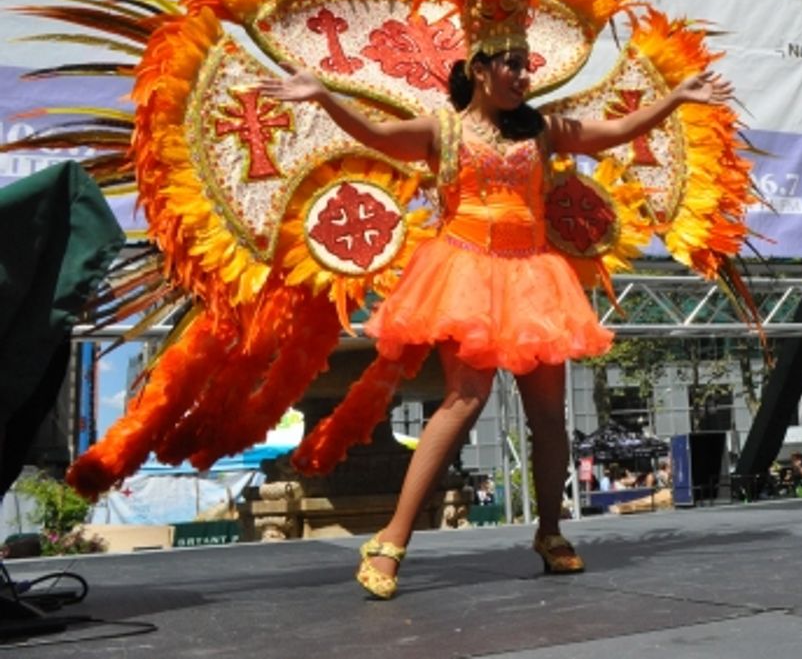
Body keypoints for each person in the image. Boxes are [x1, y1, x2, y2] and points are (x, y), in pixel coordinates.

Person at [259, 42, 732, 599]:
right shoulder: (444, 130)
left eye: (527, 65)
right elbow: (377, 137)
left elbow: (616, 131)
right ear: (479, 71)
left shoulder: (543, 129)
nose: (524, 75)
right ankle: (392, 538)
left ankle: (550, 531)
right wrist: (325, 97)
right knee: (464, 401)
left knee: (549, 415)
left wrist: (674, 98)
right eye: (512, 64)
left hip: (534, 278)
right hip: (465, 277)